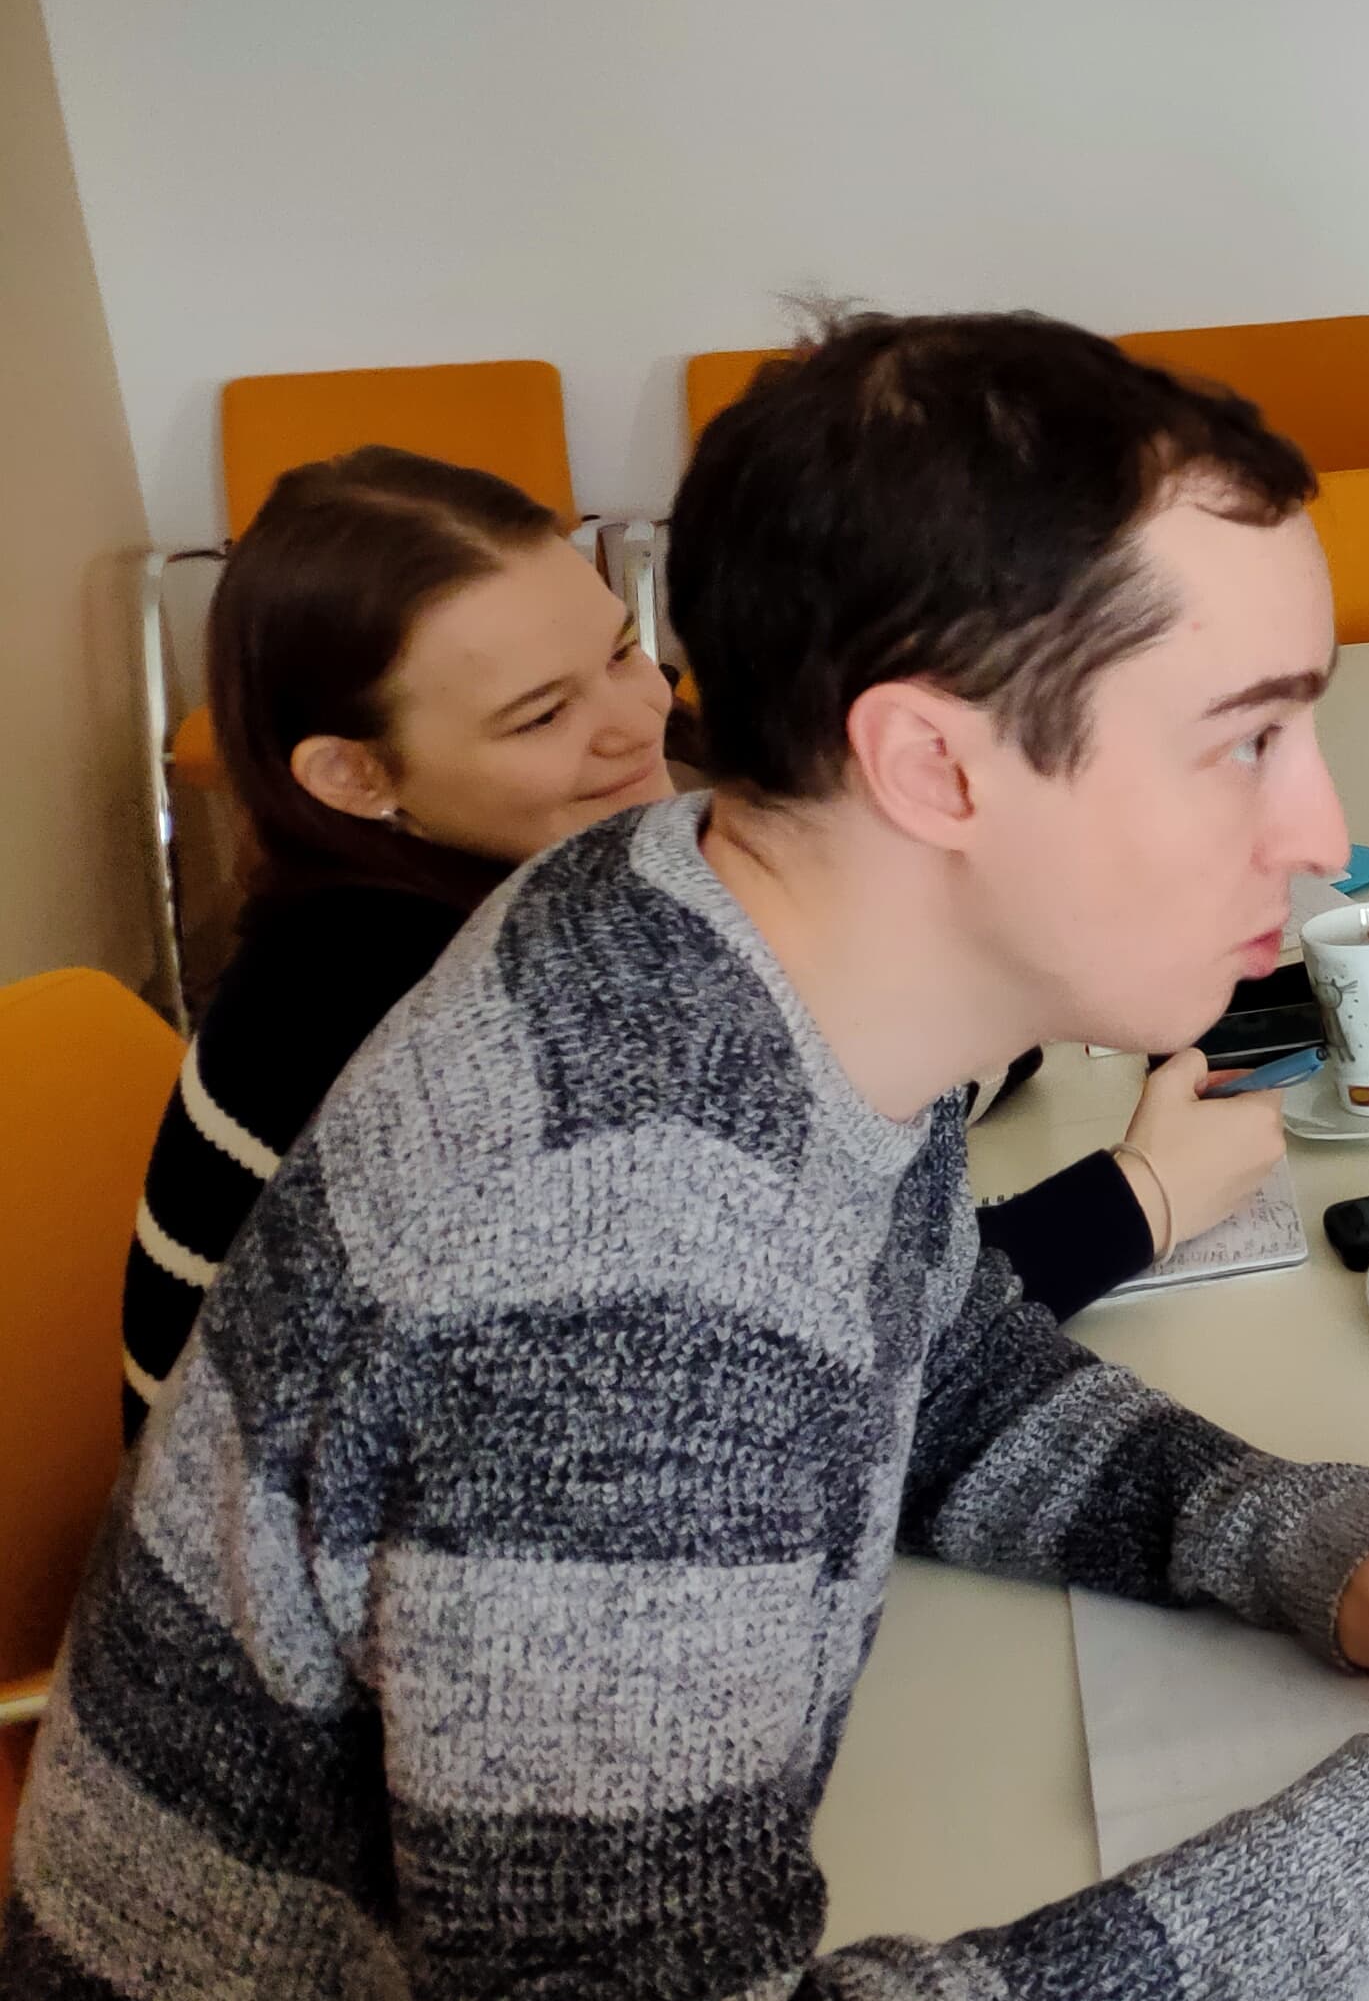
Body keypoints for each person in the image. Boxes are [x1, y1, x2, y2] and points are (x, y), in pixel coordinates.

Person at [0, 315, 1369, 2001]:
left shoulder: (697, 909)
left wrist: (1296, 1544)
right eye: (1248, 738)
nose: (1320, 833)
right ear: (931, 764)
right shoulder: (617, 1301)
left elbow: (924, 1353)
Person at [118, 445, 1272, 1442]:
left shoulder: (550, 874)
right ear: (354, 775)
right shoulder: (435, 1016)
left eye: (623, 651)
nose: (637, 721)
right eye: (542, 715)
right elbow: (793, 1360)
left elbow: (850, 1070)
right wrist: (1143, 1198)